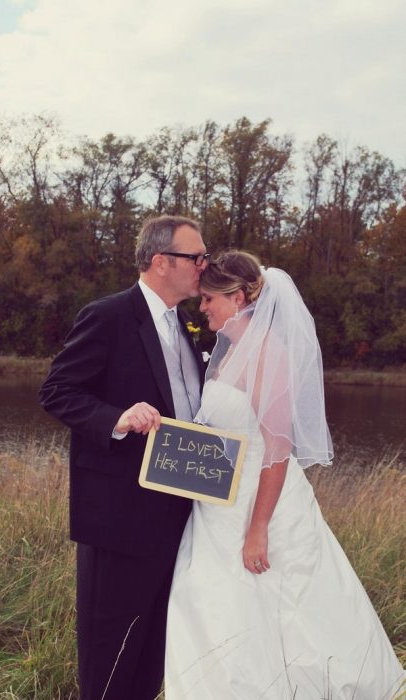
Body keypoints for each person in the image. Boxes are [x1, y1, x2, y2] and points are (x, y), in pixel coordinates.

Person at [165, 250, 405, 699]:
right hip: (218, 505)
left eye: (209, 299)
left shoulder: (268, 355)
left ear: (236, 297)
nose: (203, 308)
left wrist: (258, 528)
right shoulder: (230, 352)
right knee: (211, 600)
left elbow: (276, 452)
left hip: (261, 505)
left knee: (277, 603)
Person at [38, 215, 208, 700]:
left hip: (179, 516)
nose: (204, 265)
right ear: (160, 262)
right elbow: (57, 391)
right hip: (118, 518)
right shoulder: (108, 316)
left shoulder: (186, 324)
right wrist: (117, 417)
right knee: (110, 660)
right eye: (195, 257)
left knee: (152, 655)